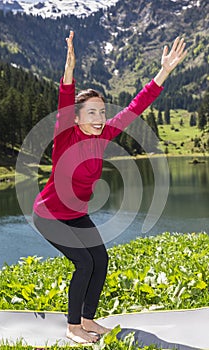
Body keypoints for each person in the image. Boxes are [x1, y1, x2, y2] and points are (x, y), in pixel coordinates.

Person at [33, 31, 187, 344]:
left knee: (100, 261)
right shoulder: (66, 135)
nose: (100, 117)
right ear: (75, 119)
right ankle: (73, 327)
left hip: (75, 214)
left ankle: (89, 319)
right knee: (85, 263)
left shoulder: (104, 137)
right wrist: (69, 69)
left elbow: (137, 105)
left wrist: (165, 71)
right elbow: (65, 95)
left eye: (103, 111)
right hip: (49, 215)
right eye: (92, 112)